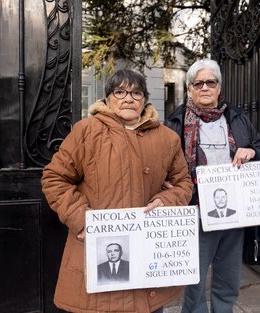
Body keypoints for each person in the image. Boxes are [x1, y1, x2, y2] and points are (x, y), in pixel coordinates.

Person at [42, 69, 193, 313]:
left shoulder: (167, 138)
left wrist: (168, 199)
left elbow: (184, 183)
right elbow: (55, 178)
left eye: (136, 93)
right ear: (108, 98)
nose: (128, 98)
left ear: (144, 99)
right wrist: (80, 219)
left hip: (148, 264)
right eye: (120, 92)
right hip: (95, 253)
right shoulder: (86, 131)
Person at [164, 59, 260, 313]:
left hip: (234, 211)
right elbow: (162, 164)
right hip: (195, 210)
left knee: (228, 276)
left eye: (211, 82)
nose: (205, 88)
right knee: (194, 277)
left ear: (219, 87)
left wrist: (251, 152)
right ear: (189, 89)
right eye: (198, 83)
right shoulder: (174, 122)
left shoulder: (238, 118)